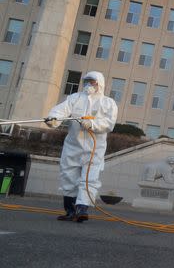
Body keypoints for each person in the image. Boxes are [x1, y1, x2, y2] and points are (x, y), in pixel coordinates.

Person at [44, 71, 118, 223]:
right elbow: (61, 110)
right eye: (87, 81)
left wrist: (93, 124)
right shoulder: (75, 98)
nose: (89, 84)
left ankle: (82, 208)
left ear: (100, 84)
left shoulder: (108, 103)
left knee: (89, 179)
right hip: (73, 146)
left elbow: (109, 123)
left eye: (92, 81)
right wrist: (53, 119)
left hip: (94, 150)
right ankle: (70, 211)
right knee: (68, 177)